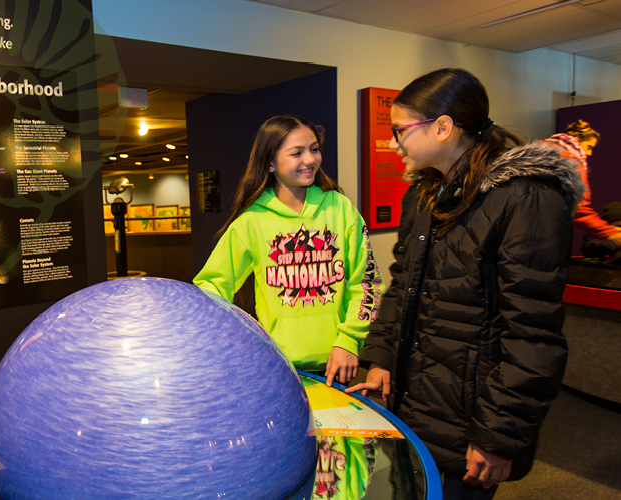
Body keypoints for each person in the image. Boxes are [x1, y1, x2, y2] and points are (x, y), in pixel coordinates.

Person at [345, 68, 585, 500]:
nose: (394, 143)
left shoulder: (528, 197)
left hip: (471, 418)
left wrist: (498, 435)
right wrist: (380, 358)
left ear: (442, 128)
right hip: (414, 404)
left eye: (400, 130)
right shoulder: (423, 195)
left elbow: (533, 335)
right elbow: (403, 287)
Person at [193, 115, 382, 387]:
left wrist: (350, 340)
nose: (310, 159)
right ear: (270, 162)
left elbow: (366, 281)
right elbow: (211, 288)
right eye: (297, 153)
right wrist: (236, 340)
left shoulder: (340, 208)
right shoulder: (252, 221)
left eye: (314, 149)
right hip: (277, 367)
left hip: (339, 364)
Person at [545, 119, 621, 251]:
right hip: (542, 235)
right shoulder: (570, 160)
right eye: (589, 147)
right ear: (577, 139)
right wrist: (608, 233)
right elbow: (578, 208)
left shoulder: (529, 155)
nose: (589, 153)